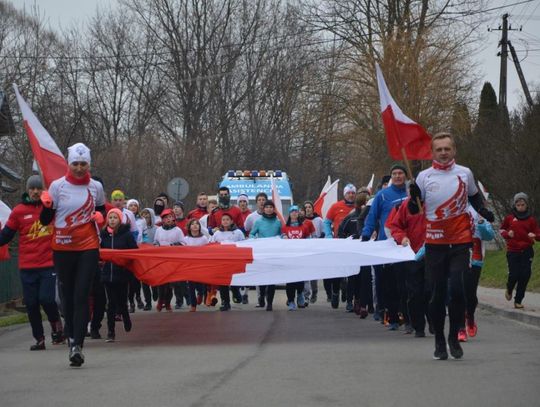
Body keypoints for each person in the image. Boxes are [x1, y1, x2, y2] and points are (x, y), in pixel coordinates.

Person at [409, 132, 494, 360]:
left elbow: (475, 197)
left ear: (453, 151)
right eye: (439, 149)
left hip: (460, 240)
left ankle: (454, 337)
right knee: (437, 294)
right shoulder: (423, 176)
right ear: (433, 152)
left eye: (447, 149)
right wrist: (413, 197)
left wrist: (483, 211)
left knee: (458, 290)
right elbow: (414, 210)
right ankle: (439, 341)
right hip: (435, 242)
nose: (443, 153)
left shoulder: (464, 173)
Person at [40, 142, 106, 367]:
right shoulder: (57, 186)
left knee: (81, 295)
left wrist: (100, 218)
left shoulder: (96, 186)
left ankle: (77, 345)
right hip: (62, 247)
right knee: (67, 296)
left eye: (83, 164)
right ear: (69, 164)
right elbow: (44, 221)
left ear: (89, 164)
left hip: (87, 246)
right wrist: (47, 206)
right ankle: (71, 337)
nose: (79, 168)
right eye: (75, 164)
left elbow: (102, 211)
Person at [0, 175, 64, 350]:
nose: (35, 192)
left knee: (47, 299)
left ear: (43, 190)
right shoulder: (19, 211)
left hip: (48, 264)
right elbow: (6, 235)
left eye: (39, 188)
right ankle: (39, 338)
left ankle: (56, 324)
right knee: (31, 303)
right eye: (32, 189)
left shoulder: (50, 208)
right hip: (27, 266)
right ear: (27, 190)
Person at [362, 166, 408, 328]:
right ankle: (393, 317)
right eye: (394, 174)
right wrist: (366, 233)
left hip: (409, 244)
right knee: (389, 284)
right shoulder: (382, 196)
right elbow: (372, 217)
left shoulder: (413, 194)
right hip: (388, 245)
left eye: (400, 173)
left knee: (409, 284)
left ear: (405, 176)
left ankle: (410, 317)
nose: (397, 176)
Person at [388, 192, 429, 337]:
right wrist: (402, 238)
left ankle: (434, 320)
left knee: (431, 290)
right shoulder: (406, 205)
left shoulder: (436, 201)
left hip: (434, 252)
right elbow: (396, 226)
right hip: (413, 255)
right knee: (415, 292)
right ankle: (418, 326)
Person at [100, 208, 138, 342]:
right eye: (110, 218)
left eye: (115, 218)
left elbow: (134, 252)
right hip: (107, 275)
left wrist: (123, 259)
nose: (112, 220)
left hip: (122, 274)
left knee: (121, 301)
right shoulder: (103, 235)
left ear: (120, 219)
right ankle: (111, 332)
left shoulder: (126, 235)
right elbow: (98, 251)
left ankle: (126, 317)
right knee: (110, 304)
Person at [458, 206, 494, 342]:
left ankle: (470, 316)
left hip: (475, 258)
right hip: (458, 254)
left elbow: (489, 236)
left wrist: (481, 223)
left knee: (470, 294)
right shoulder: (453, 205)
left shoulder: (479, 209)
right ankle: (461, 327)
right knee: (458, 291)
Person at [500, 192, 540, 309]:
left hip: (527, 251)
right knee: (514, 274)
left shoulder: (531, 220)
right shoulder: (510, 218)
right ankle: (509, 288)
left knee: (525, 275)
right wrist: (508, 234)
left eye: (523, 204)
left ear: (527, 205)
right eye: (518, 205)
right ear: (515, 205)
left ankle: (518, 300)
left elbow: (538, 234)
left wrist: (535, 236)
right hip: (513, 251)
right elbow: (501, 230)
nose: (521, 207)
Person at [338, 192, 371, 317]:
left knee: (365, 278)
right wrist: (345, 244)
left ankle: (362, 303)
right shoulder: (351, 217)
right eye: (366, 201)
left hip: (367, 253)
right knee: (353, 278)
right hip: (353, 253)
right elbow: (341, 231)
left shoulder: (371, 216)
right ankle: (351, 300)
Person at [323, 184, 357, 308]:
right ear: (344, 194)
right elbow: (326, 222)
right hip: (338, 243)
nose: (351, 195)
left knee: (352, 274)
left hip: (354, 244)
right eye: (349, 193)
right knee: (338, 271)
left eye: (353, 193)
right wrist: (328, 236)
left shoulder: (358, 207)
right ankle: (336, 292)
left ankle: (349, 301)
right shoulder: (336, 206)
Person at [250, 200, 282, 311]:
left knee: (271, 279)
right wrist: (253, 239)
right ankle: (262, 296)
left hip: (274, 254)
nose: (268, 209)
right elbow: (251, 233)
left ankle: (270, 303)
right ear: (264, 209)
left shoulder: (278, 222)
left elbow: (282, 234)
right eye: (266, 207)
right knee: (263, 278)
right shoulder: (258, 222)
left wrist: (283, 238)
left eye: (271, 207)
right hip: (262, 253)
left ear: (274, 209)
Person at [281, 205, 314, 310]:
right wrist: (283, 237)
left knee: (300, 279)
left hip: (300, 257)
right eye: (292, 212)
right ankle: (291, 300)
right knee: (290, 280)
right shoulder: (285, 227)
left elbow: (309, 239)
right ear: (289, 214)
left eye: (296, 211)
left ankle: (300, 295)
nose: (294, 213)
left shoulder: (303, 227)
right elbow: (280, 241)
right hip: (288, 257)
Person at [211, 213, 245, 311]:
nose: (225, 221)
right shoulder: (217, 233)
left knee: (233, 280)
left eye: (227, 219)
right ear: (221, 222)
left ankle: (236, 293)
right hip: (221, 261)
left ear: (231, 221)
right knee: (223, 282)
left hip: (234, 260)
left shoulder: (238, 232)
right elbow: (212, 245)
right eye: (223, 220)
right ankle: (225, 302)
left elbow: (243, 245)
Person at [153, 208, 185, 311]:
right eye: (166, 218)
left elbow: (183, 243)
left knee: (171, 284)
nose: (168, 219)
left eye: (170, 217)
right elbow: (155, 242)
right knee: (162, 284)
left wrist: (172, 246)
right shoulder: (158, 230)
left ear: (173, 218)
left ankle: (167, 303)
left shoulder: (178, 230)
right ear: (162, 219)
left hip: (173, 260)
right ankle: (160, 301)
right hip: (161, 260)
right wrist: (157, 246)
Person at [244, 192, 268, 306]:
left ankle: (268, 296)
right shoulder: (251, 217)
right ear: (256, 202)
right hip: (256, 249)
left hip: (269, 249)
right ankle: (260, 297)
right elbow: (246, 230)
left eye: (264, 200)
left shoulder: (274, 216)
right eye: (260, 200)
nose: (262, 202)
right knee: (259, 272)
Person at [184, 218, 209, 312]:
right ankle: (193, 305)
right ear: (189, 227)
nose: (195, 225)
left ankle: (201, 293)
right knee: (190, 285)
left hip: (200, 265)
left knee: (200, 284)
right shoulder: (185, 239)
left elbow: (207, 250)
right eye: (193, 224)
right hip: (189, 266)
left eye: (197, 224)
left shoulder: (203, 239)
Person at [303, 200, 324, 304]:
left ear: (313, 208)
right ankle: (306, 295)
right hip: (305, 249)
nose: (308, 209)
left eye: (309, 207)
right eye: (306, 207)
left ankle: (314, 291)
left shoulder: (319, 220)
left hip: (316, 248)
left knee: (313, 273)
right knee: (306, 273)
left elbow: (323, 231)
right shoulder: (301, 220)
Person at [140, 208, 158, 310]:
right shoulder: (139, 229)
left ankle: (155, 290)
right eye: (144, 217)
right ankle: (148, 302)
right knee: (144, 280)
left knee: (153, 278)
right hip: (143, 257)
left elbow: (157, 241)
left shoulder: (156, 229)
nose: (146, 219)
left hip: (153, 257)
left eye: (147, 217)